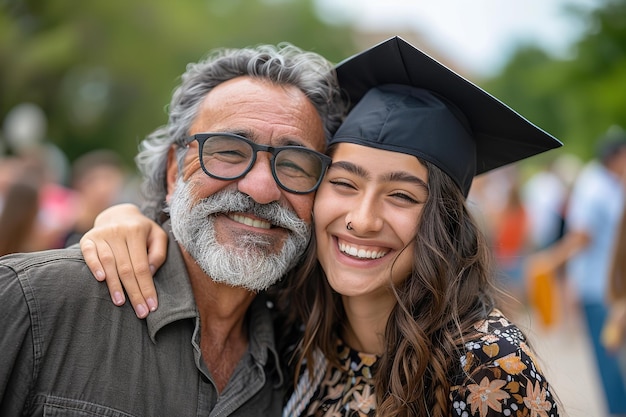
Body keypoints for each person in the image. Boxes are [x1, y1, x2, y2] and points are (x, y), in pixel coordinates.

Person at [80, 37, 562, 416]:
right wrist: (129, 219)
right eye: (344, 183)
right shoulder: (294, 323)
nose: (362, 219)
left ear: (443, 220)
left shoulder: (487, 365)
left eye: (401, 195)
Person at [0, 42, 344, 416]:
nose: (261, 189)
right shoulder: (36, 302)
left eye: (294, 165)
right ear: (172, 172)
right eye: (229, 152)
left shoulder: (302, 367)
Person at [528, 127, 626, 415]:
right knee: (608, 356)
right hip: (598, 290)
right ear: (617, 156)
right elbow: (582, 236)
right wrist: (549, 262)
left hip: (610, 288)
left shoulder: (611, 183)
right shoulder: (595, 186)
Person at [62, 149, 127, 247]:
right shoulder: (60, 231)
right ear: (78, 184)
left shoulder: (123, 227)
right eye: (93, 180)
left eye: (108, 179)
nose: (102, 188)